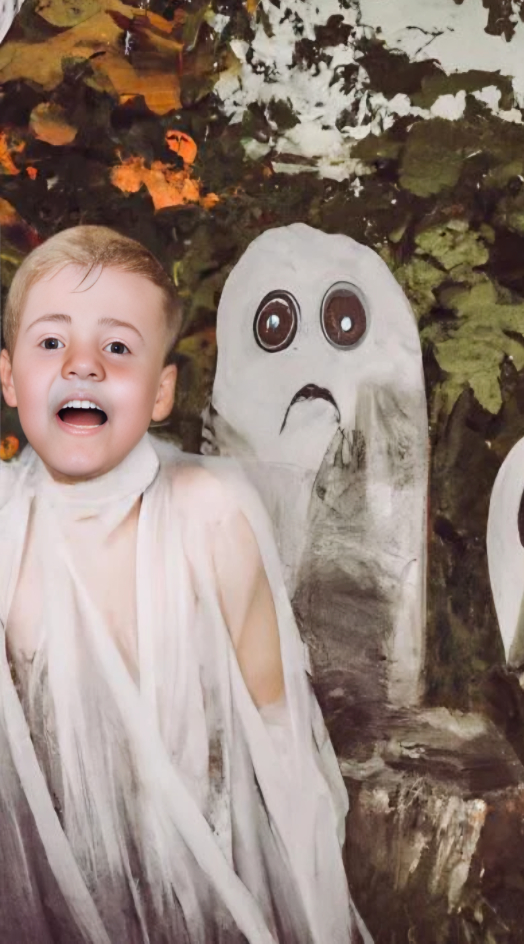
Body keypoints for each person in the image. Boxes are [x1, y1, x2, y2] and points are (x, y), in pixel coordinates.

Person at [0, 225, 370, 944]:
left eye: (117, 346)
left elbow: (280, 735)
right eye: (52, 343)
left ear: (161, 390)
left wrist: (311, 909)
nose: (83, 366)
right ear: (9, 377)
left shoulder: (206, 514)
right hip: (42, 893)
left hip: (196, 891)